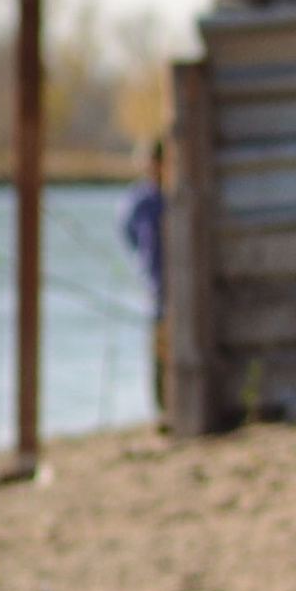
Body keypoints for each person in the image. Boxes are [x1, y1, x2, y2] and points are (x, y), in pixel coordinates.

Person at [121, 139, 166, 416]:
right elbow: (129, 234)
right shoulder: (140, 200)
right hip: (156, 286)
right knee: (159, 346)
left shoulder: (175, 196)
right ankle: (163, 409)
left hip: (179, 285)